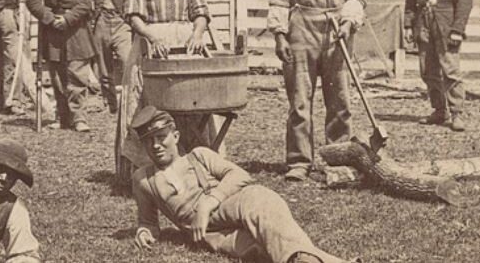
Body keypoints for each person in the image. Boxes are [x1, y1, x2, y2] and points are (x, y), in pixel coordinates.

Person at [130, 105, 352, 263]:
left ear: (176, 136)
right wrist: (144, 232)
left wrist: (207, 204)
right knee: (262, 246)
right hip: (208, 233)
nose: (156, 145)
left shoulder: (198, 155)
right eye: (149, 141)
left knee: (257, 197)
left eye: (161, 137)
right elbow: (147, 222)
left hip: (222, 208)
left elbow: (239, 175)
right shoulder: (143, 179)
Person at [266, 0, 366, 182]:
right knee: (299, 98)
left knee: (339, 99)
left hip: (337, 30)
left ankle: (338, 157)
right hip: (301, 28)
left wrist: (348, 22)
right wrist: (280, 36)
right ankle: (299, 161)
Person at [116, 0, 214, 181]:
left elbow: (201, 13)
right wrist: (151, 35)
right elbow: (134, 16)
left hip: (185, 45)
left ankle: (196, 163)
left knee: (191, 100)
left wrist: (197, 33)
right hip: (152, 45)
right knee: (147, 102)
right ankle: (145, 168)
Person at [404, 0, 473, 132]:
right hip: (424, 25)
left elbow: (464, 0)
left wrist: (457, 30)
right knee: (428, 70)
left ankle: (457, 113)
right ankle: (439, 110)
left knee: (450, 70)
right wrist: (408, 24)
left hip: (446, 27)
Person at [25, 0, 95, 132]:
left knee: (77, 73)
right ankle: (63, 116)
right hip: (52, 28)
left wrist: (68, 18)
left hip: (75, 29)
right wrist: (48, 17)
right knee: (56, 75)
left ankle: (79, 117)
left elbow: (86, 0)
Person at [90, 0, 132, 113]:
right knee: (103, 66)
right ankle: (111, 104)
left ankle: (131, 102)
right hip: (102, 22)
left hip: (120, 23)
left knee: (128, 61)